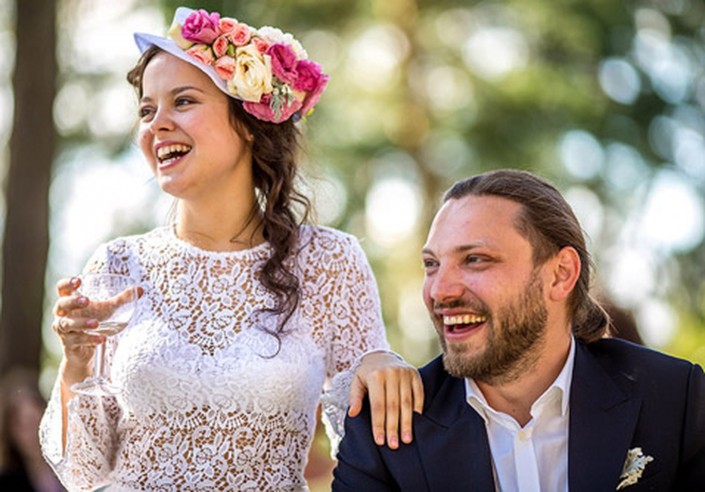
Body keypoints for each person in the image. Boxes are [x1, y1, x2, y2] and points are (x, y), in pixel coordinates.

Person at [39, 6, 423, 491]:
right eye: (146, 110)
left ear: (248, 122)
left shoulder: (330, 262)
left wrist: (379, 363)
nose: (157, 124)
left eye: (183, 101)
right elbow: (84, 472)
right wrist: (76, 363)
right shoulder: (118, 265)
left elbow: (369, 440)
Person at [333, 169, 705, 491]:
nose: (440, 291)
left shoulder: (676, 400)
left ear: (560, 275)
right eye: (432, 264)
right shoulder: (384, 434)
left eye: (475, 259)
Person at [0, 369, 64, 491]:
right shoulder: (6, 481)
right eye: (24, 426)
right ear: (10, 431)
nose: (33, 433)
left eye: (37, 422)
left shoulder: (73, 467)